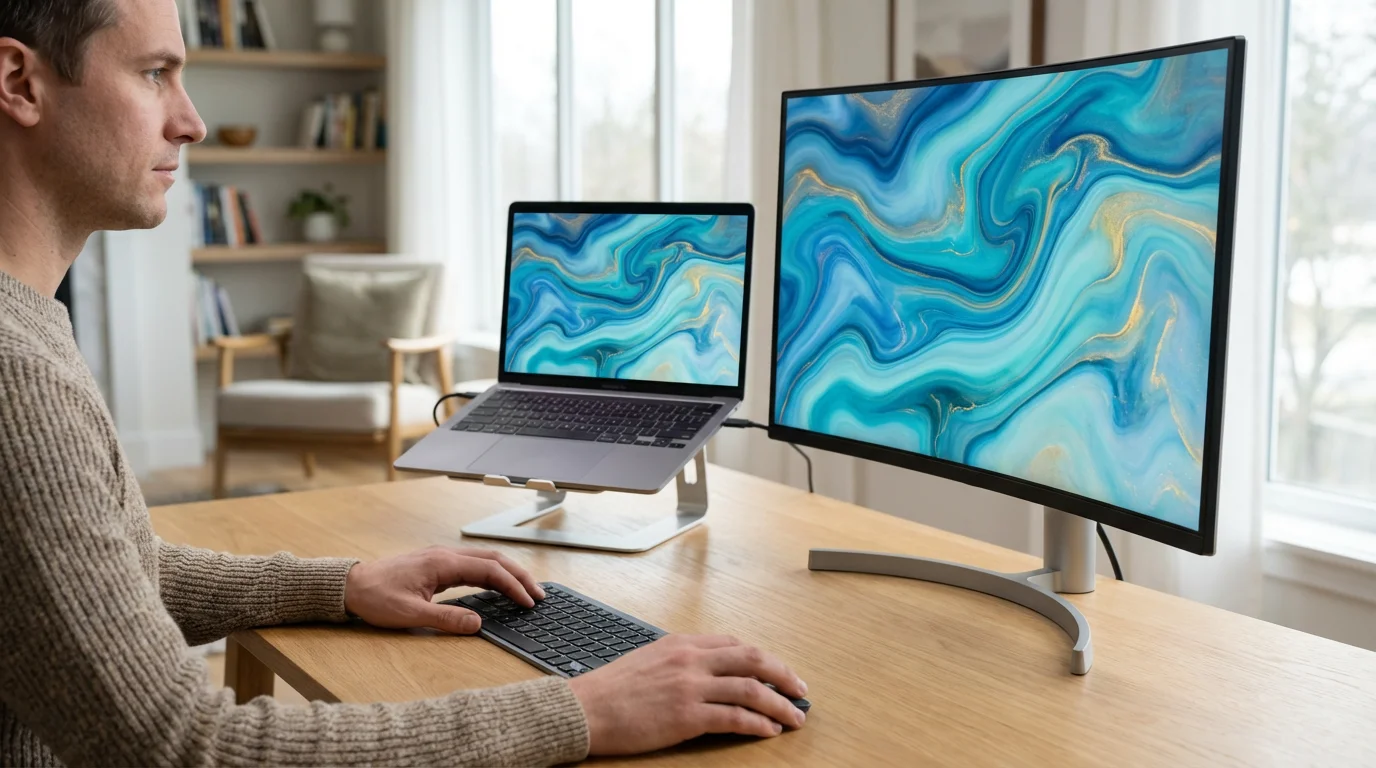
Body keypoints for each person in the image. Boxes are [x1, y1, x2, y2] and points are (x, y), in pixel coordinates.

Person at [0, 0, 809, 764]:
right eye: (154, 73)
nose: (191, 118)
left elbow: (106, 578)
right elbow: (190, 747)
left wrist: (343, 584)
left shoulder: (27, 327)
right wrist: (584, 711)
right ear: (20, 83)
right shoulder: (17, 379)